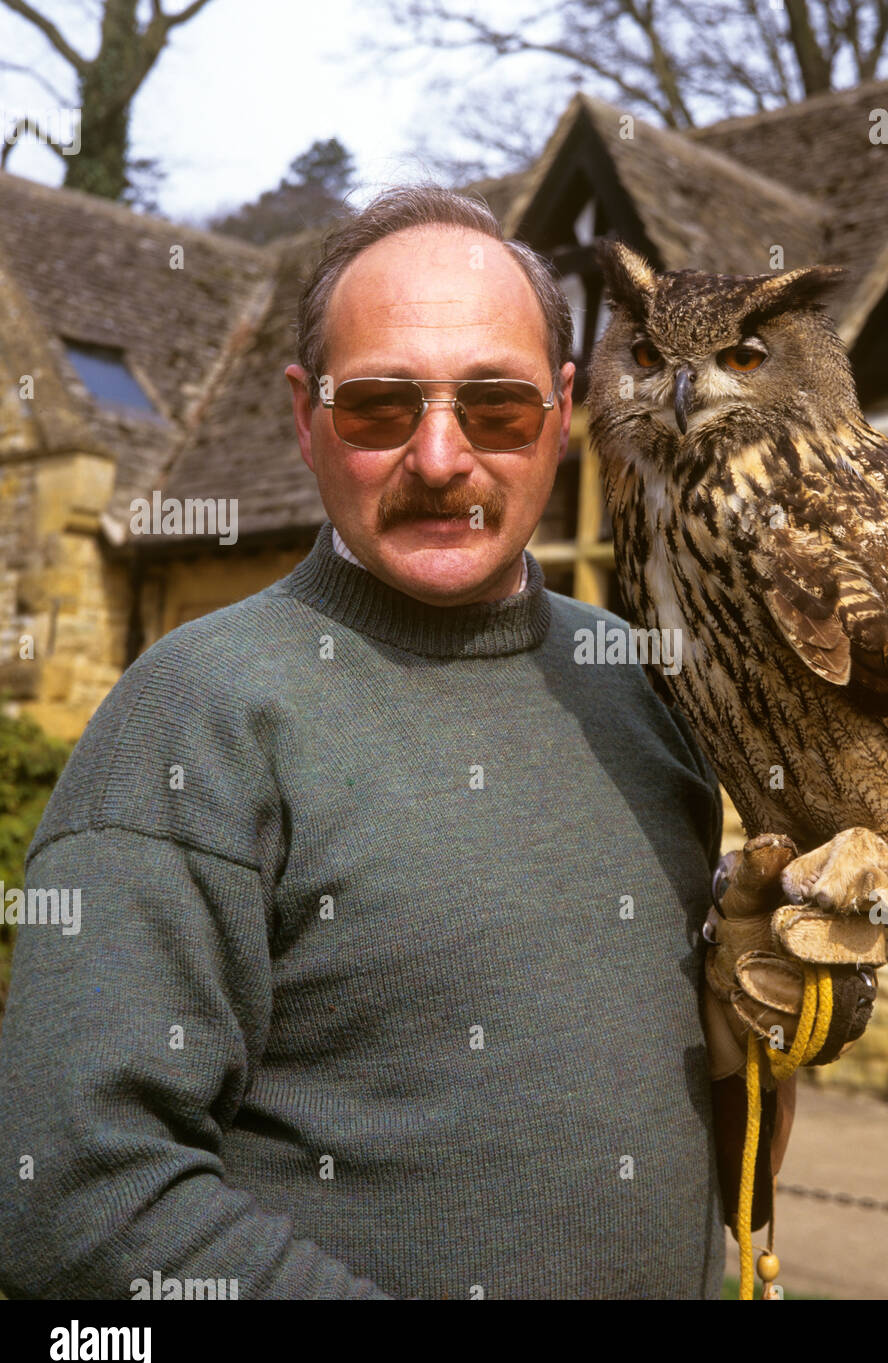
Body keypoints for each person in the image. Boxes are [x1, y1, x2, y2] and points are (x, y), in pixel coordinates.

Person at [0, 186, 818, 1300]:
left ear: (565, 410)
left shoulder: (644, 681)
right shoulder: (193, 713)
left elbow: (688, 1144)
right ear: (304, 415)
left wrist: (756, 1031)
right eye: (380, 406)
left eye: (496, 406)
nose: (440, 457)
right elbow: (79, 1197)